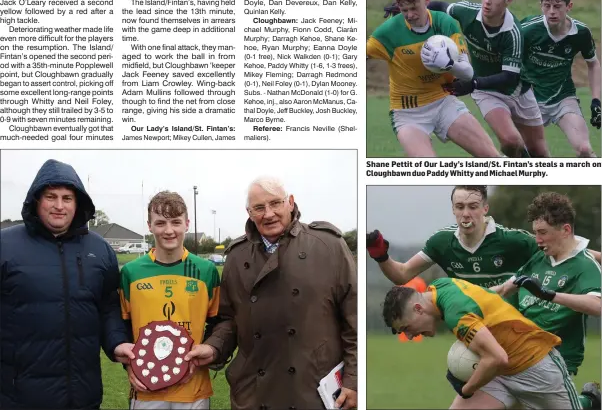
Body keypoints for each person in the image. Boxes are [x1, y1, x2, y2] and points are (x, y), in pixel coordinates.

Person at [187, 176, 358, 410]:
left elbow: (354, 320)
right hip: (255, 392)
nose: (268, 214)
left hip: (313, 391)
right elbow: (228, 320)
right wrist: (214, 347)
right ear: (249, 212)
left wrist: (354, 381)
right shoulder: (237, 257)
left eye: (275, 203)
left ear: (290, 202)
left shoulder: (327, 246)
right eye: (259, 207)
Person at [0, 159, 134, 409]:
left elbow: (108, 308)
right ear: (37, 200)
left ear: (78, 202)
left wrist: (116, 342)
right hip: (19, 396)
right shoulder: (5, 245)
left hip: (83, 394)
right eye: (51, 197)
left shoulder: (100, 249)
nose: (59, 206)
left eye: (67, 198)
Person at [383, 278, 581, 409]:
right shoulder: (440, 286)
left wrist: (466, 389)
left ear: (418, 309)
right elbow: (482, 296)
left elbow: (497, 358)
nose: (409, 336)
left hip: (537, 369)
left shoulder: (457, 314)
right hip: (499, 377)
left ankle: (591, 400)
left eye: (406, 328)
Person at [367, 0, 501, 157]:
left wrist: (449, 64)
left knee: (493, 158)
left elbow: (468, 73)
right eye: (404, 10)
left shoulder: (444, 22)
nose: (410, 15)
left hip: (444, 102)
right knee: (430, 171)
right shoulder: (388, 32)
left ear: (427, 0)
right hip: (408, 113)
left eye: (414, 8)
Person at [367, 185, 600, 288]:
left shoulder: (512, 240)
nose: (466, 213)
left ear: (485, 209)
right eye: (459, 206)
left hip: (514, 330)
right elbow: (402, 275)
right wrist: (381, 255)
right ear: (453, 209)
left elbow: (567, 249)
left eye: (473, 206)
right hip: (472, 331)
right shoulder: (441, 241)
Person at [492, 192, 601, 409]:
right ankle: (589, 402)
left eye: (543, 232)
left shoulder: (585, 265)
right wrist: (464, 293)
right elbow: (504, 289)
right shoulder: (540, 258)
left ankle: (588, 402)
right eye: (535, 233)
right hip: (522, 350)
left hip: (558, 356)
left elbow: (597, 306)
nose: (537, 239)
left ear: (566, 230)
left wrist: (549, 295)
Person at [428, 0, 550, 157]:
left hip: (517, 91)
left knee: (539, 153)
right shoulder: (467, 12)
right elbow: (440, 5)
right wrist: (411, 7)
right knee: (510, 142)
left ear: (508, 0)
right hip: (486, 90)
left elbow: (510, 76)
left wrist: (473, 83)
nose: (487, 1)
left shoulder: (513, 33)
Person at [119, 191, 221, 410]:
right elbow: (123, 325)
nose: (168, 230)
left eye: (176, 222)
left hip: (193, 388)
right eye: (160, 223)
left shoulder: (206, 271)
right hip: (146, 388)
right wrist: (130, 364)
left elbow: (219, 322)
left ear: (187, 224)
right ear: (149, 225)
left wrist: (211, 349)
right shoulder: (131, 272)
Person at [521, 0, 601, 157]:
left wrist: (596, 101)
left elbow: (593, 64)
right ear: (540, 6)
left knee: (585, 149)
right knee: (528, 154)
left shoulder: (581, 33)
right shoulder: (527, 30)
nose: (552, 11)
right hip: (530, 101)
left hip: (562, 98)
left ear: (569, 6)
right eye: (547, 6)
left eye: (557, 6)